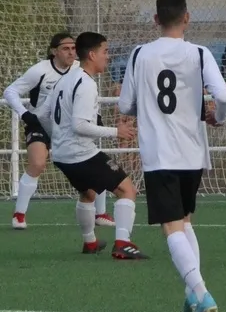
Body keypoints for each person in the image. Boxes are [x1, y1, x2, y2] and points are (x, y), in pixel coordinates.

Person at [118, 0, 226, 312]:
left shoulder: (140, 54)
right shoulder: (199, 53)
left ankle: (201, 291)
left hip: (160, 153)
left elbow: (125, 105)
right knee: (184, 222)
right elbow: (223, 97)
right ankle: (190, 298)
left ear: (155, 19)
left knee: (172, 228)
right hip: (193, 152)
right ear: (187, 17)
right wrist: (218, 116)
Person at [35, 32, 145, 259]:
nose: (109, 56)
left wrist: (57, 139)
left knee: (89, 193)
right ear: (92, 55)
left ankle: (91, 242)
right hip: (80, 153)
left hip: (62, 155)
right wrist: (117, 131)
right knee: (127, 190)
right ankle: (123, 243)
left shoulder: (64, 79)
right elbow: (80, 126)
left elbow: (42, 114)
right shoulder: (85, 83)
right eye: (105, 51)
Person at [3, 33, 112, 229]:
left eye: (73, 48)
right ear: (54, 52)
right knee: (37, 163)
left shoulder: (80, 70)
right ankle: (19, 215)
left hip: (68, 128)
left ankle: (101, 213)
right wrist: (25, 114)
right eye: (65, 48)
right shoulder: (40, 70)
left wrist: (95, 117)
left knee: (96, 163)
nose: (71, 52)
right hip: (40, 125)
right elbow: (10, 91)